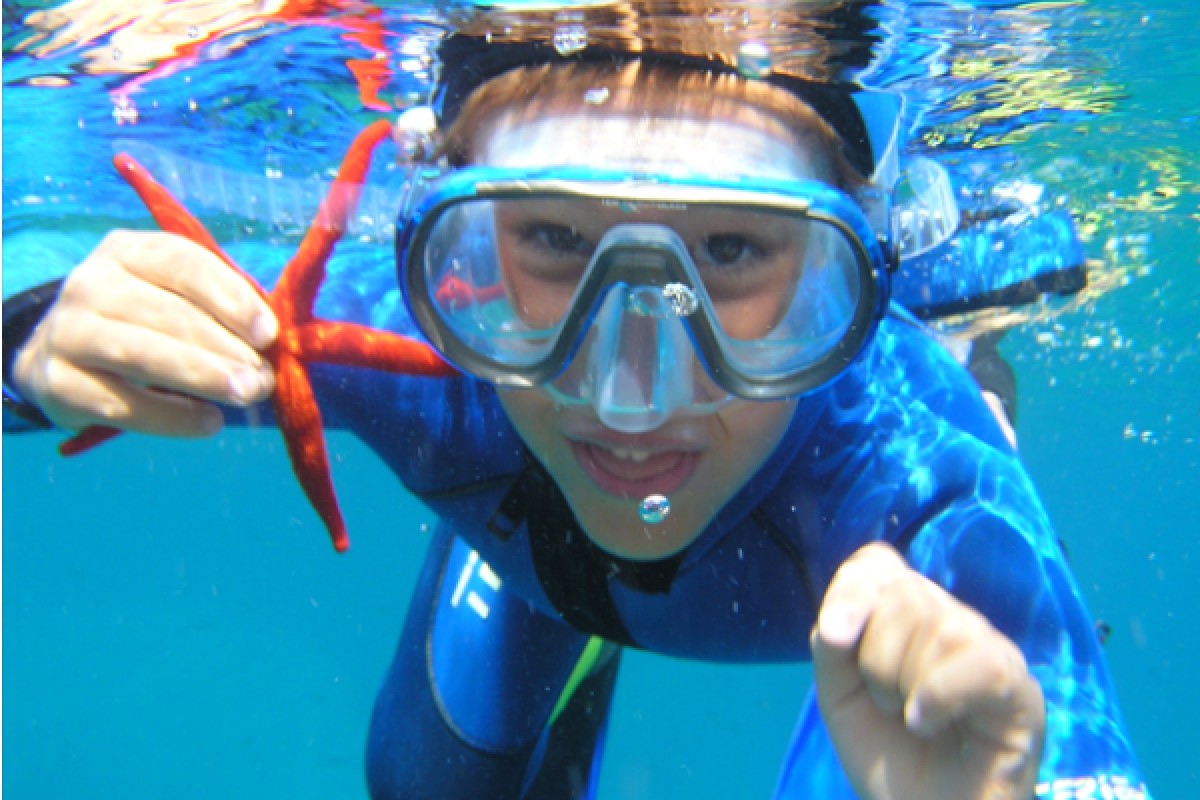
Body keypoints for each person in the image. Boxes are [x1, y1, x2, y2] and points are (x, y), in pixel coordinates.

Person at [2, 5, 1149, 799]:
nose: (628, 394)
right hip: (539, 560)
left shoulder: (916, 463)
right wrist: (33, 341)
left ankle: (983, 351)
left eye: (738, 250)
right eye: (552, 238)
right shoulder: (410, 328)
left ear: (850, 265)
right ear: (446, 229)